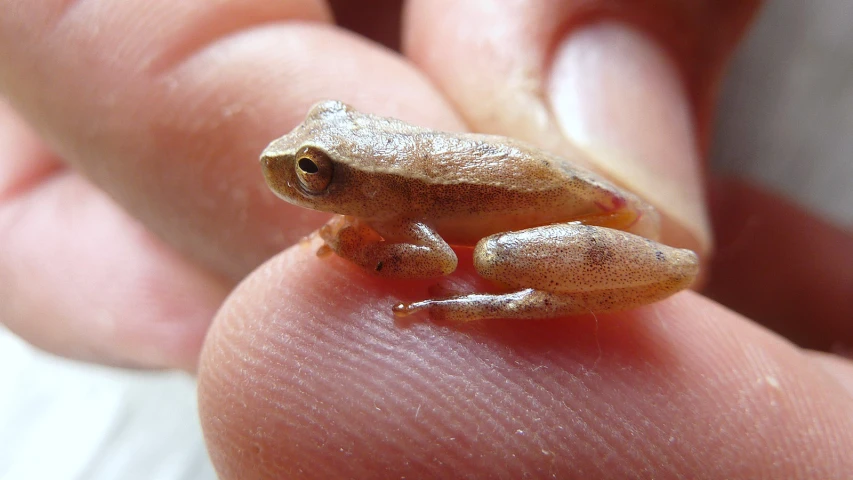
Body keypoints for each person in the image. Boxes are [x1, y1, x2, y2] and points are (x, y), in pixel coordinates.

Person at [0, 1, 851, 478]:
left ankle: (528, 293)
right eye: (313, 165)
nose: (294, 177)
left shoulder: (391, 211)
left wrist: (364, 246)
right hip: (554, 187)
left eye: (315, 173)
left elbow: (439, 259)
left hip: (567, 217)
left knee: (502, 258)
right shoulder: (381, 188)